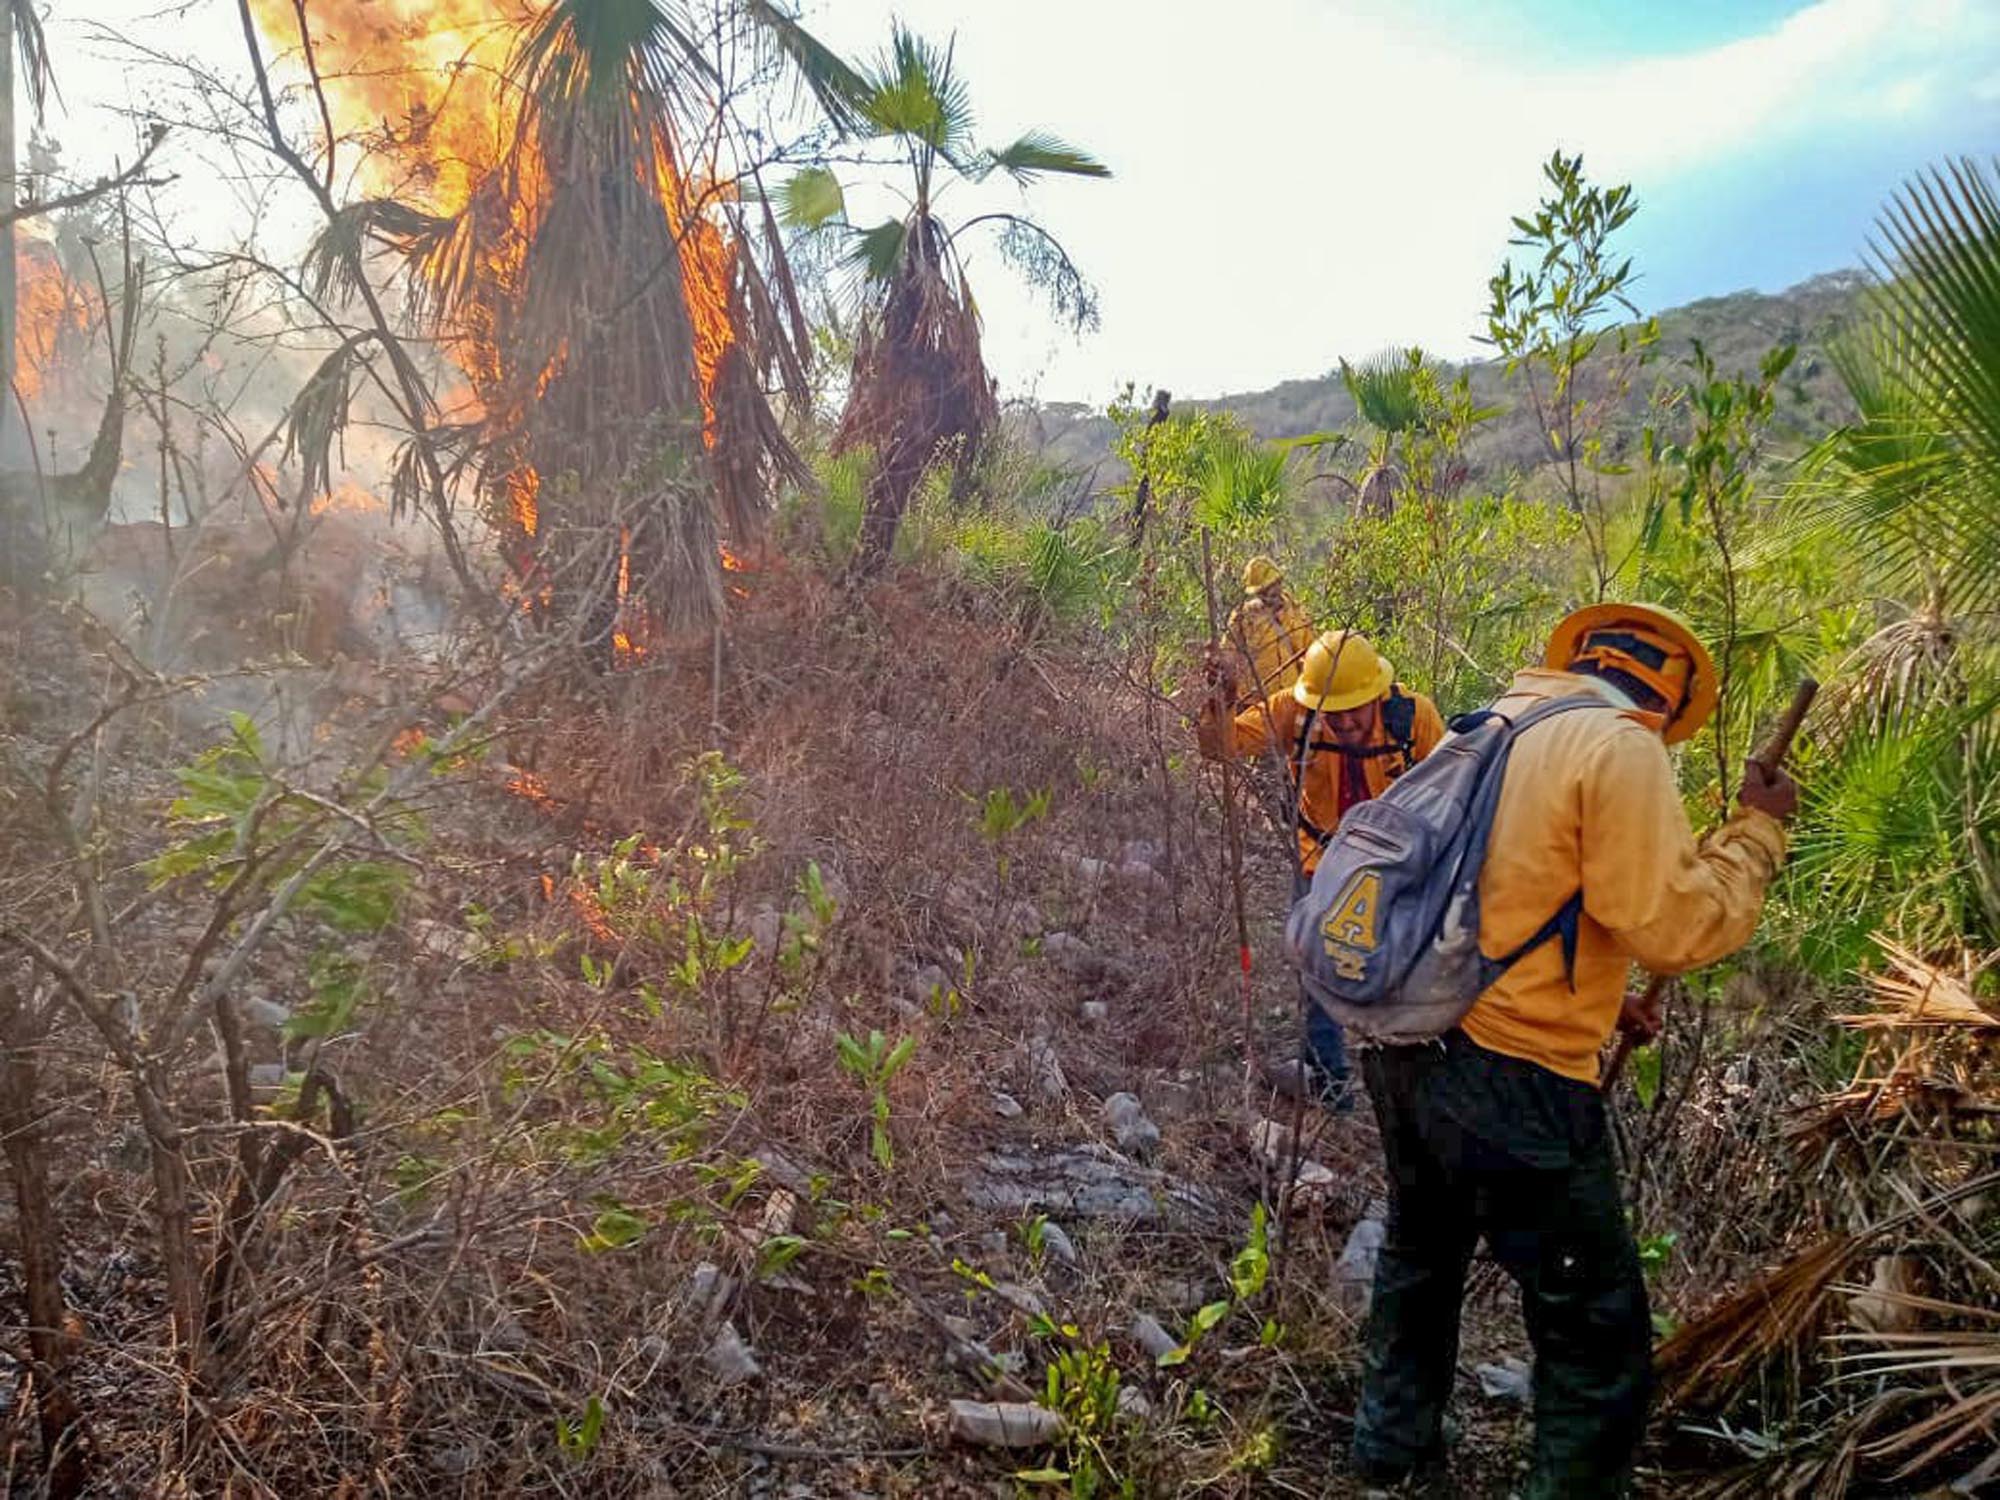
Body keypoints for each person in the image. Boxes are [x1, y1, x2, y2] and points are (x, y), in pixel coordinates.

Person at [1351, 602, 1798, 1498]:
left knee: (1420, 1259)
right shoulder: (1618, 746)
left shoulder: (1497, 721)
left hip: (1406, 1046)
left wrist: (1601, 1000)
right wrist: (1756, 832)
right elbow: (1672, 928)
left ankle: (1388, 1464)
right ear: (1671, 700)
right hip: (1511, 1078)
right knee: (1595, 1329)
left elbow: (1518, 887)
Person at [1198, 629, 1446, 1100]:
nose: (1346, 722)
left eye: (1355, 708)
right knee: (1316, 961)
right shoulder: (1295, 712)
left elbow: (1451, 795)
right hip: (1321, 857)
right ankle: (1328, 1078)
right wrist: (1219, 701)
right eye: (1335, 712)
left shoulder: (1414, 719)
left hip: (1395, 865)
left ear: (1377, 692)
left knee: (1399, 967)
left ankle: (1409, 1078)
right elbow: (1219, 747)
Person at [1225, 556, 1315, 704]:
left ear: (1279, 582)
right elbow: (1228, 654)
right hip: (1255, 702)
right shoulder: (1243, 617)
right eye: (1263, 590)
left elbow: (1311, 654)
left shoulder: (1297, 614)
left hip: (1292, 699)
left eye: (1272, 586)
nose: (1269, 593)